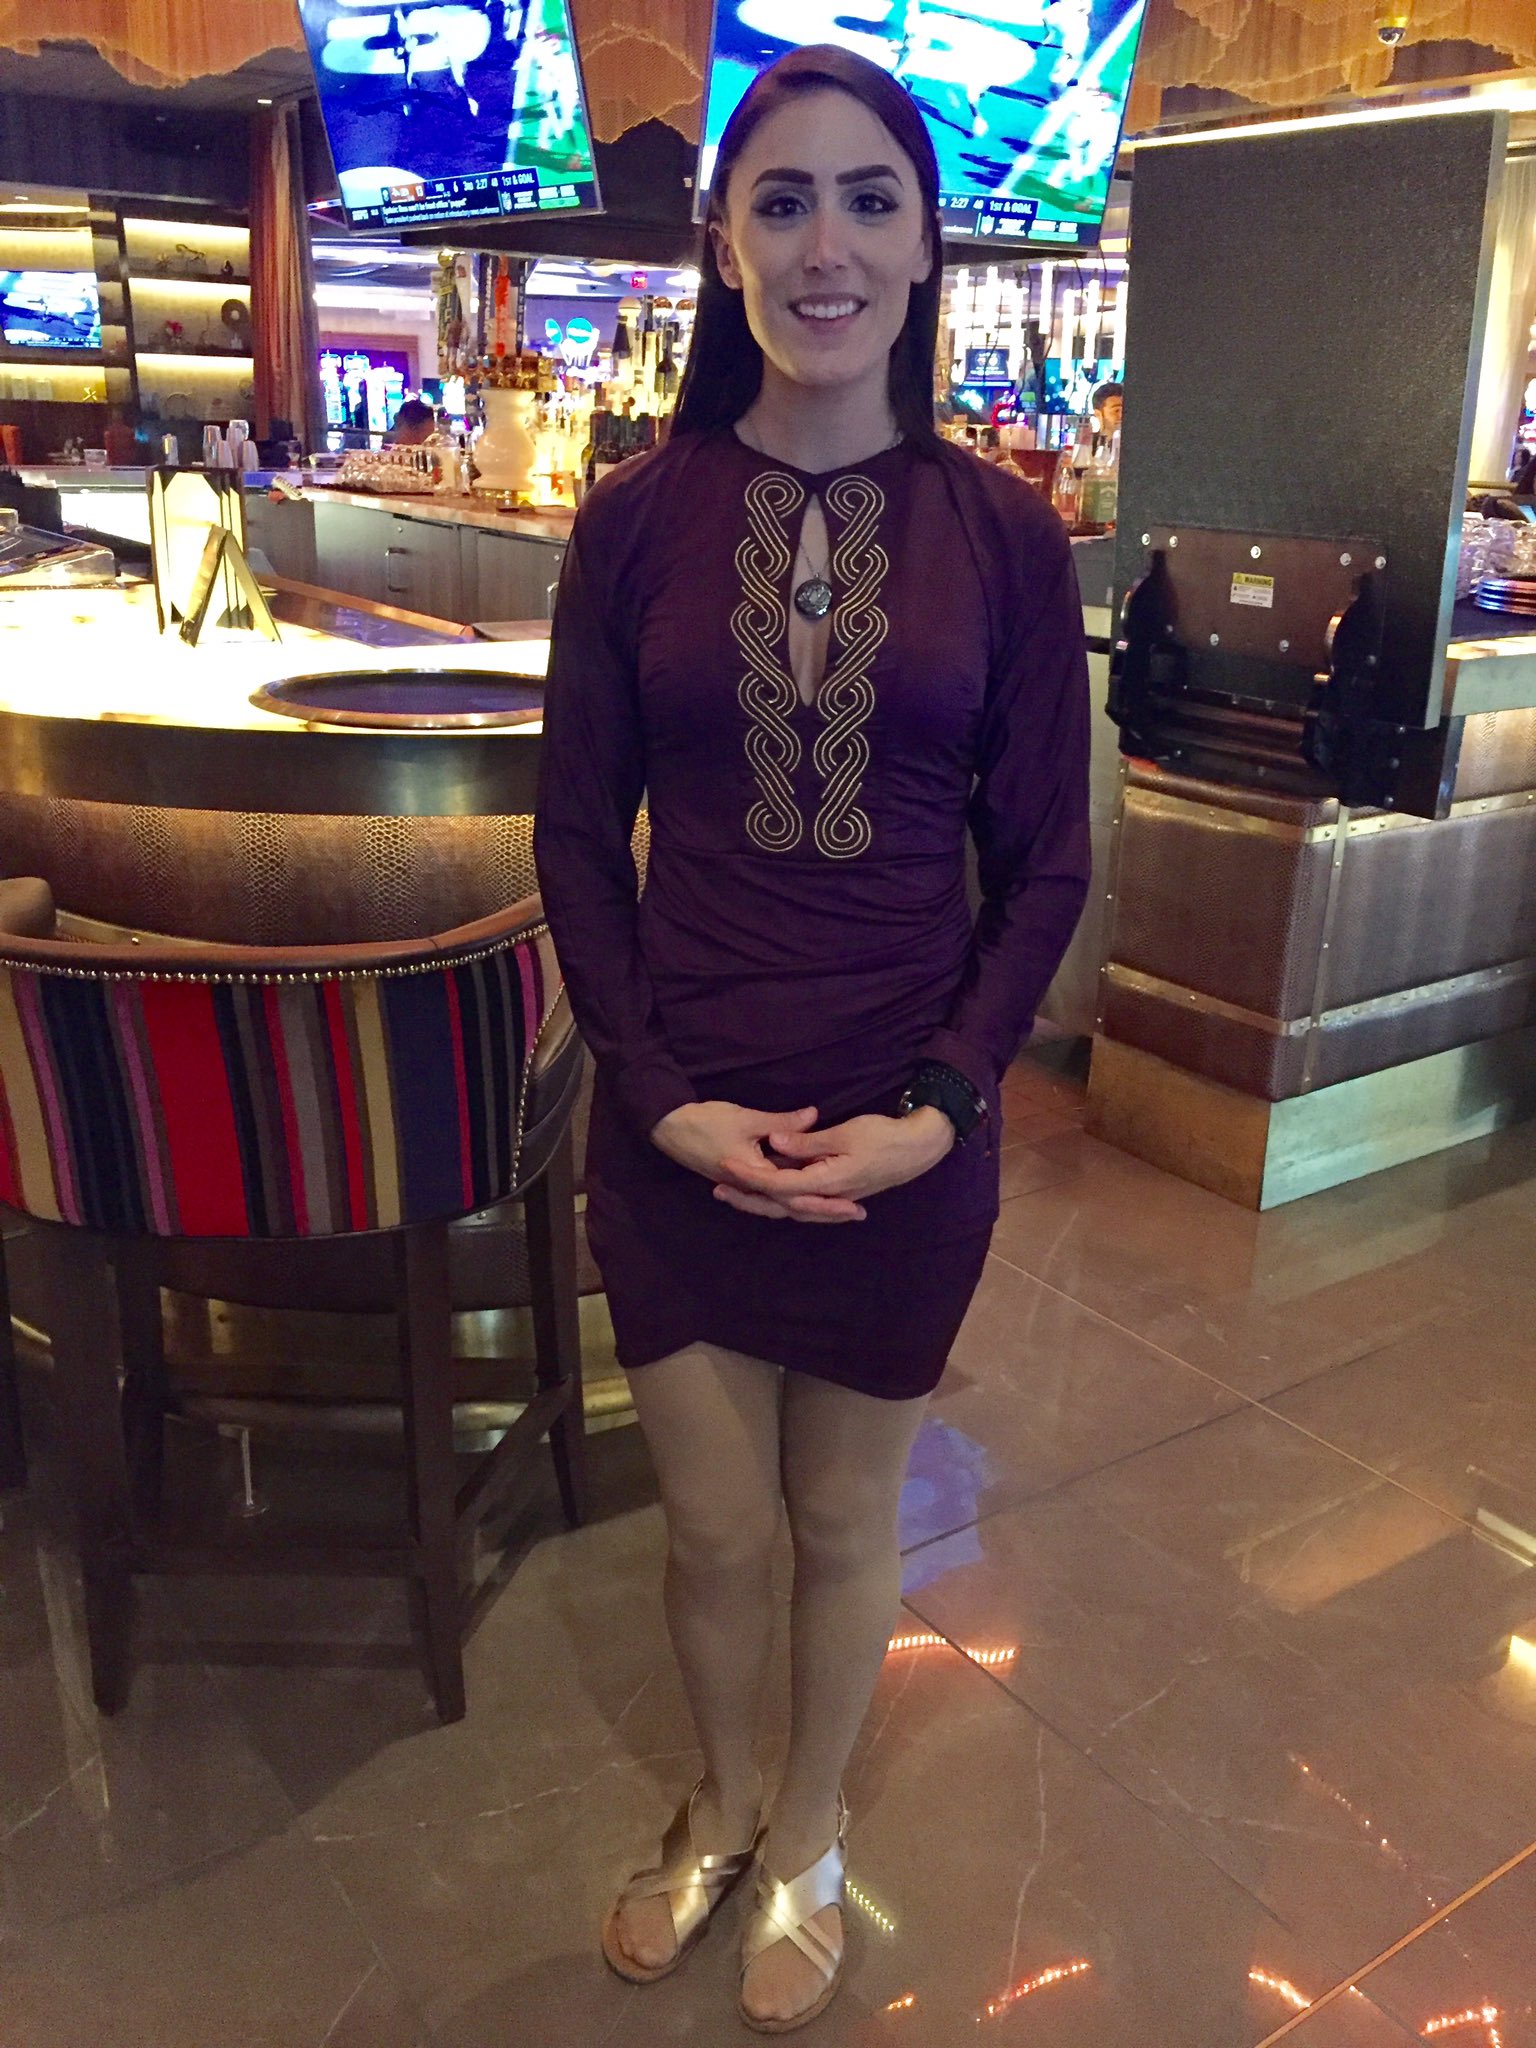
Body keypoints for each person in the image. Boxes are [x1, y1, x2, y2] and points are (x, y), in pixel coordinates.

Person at [534, 42, 1089, 2035]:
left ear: (929, 245)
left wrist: (941, 1107)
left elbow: (1045, 864)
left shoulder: (1009, 535)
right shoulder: (632, 521)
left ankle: (814, 1826)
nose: (826, 244)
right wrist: (658, 1098)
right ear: (723, 246)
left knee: (848, 1517)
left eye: (870, 200)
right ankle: (718, 1800)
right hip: (676, 1122)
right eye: (783, 202)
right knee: (708, 1525)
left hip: (902, 1130)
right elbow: (574, 838)